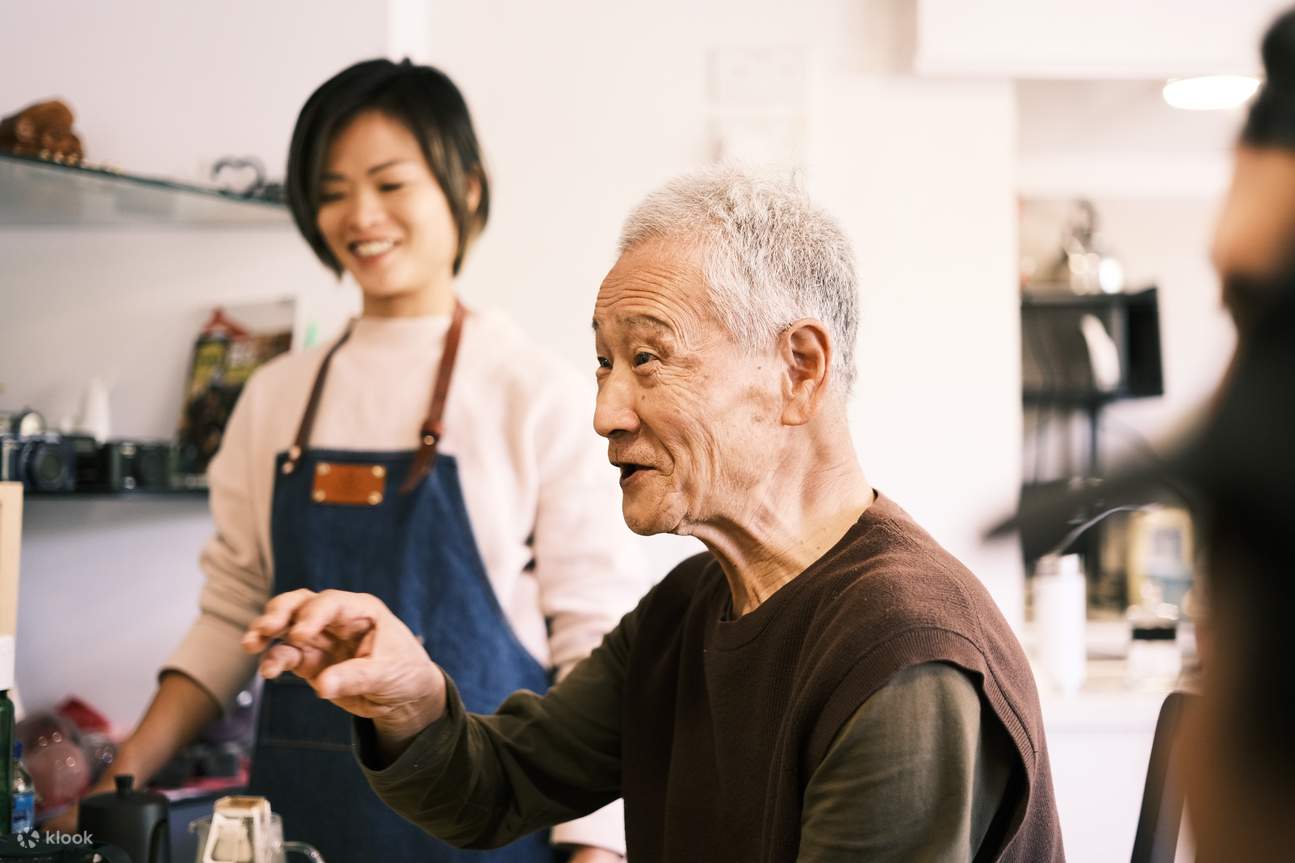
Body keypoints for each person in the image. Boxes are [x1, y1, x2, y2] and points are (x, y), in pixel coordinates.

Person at [243, 168, 1067, 862]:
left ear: (797, 368)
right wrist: (412, 698)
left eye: (646, 358)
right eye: (603, 362)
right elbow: (493, 789)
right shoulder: (685, 612)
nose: (605, 411)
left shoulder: (902, 654)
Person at [58, 59, 643, 863]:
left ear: (467, 189)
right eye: (331, 191)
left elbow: (593, 640)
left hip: (488, 836)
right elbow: (232, 613)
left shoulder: (532, 393)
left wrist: (597, 849)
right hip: (296, 829)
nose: (359, 215)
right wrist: (110, 789)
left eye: (390, 182)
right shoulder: (274, 396)